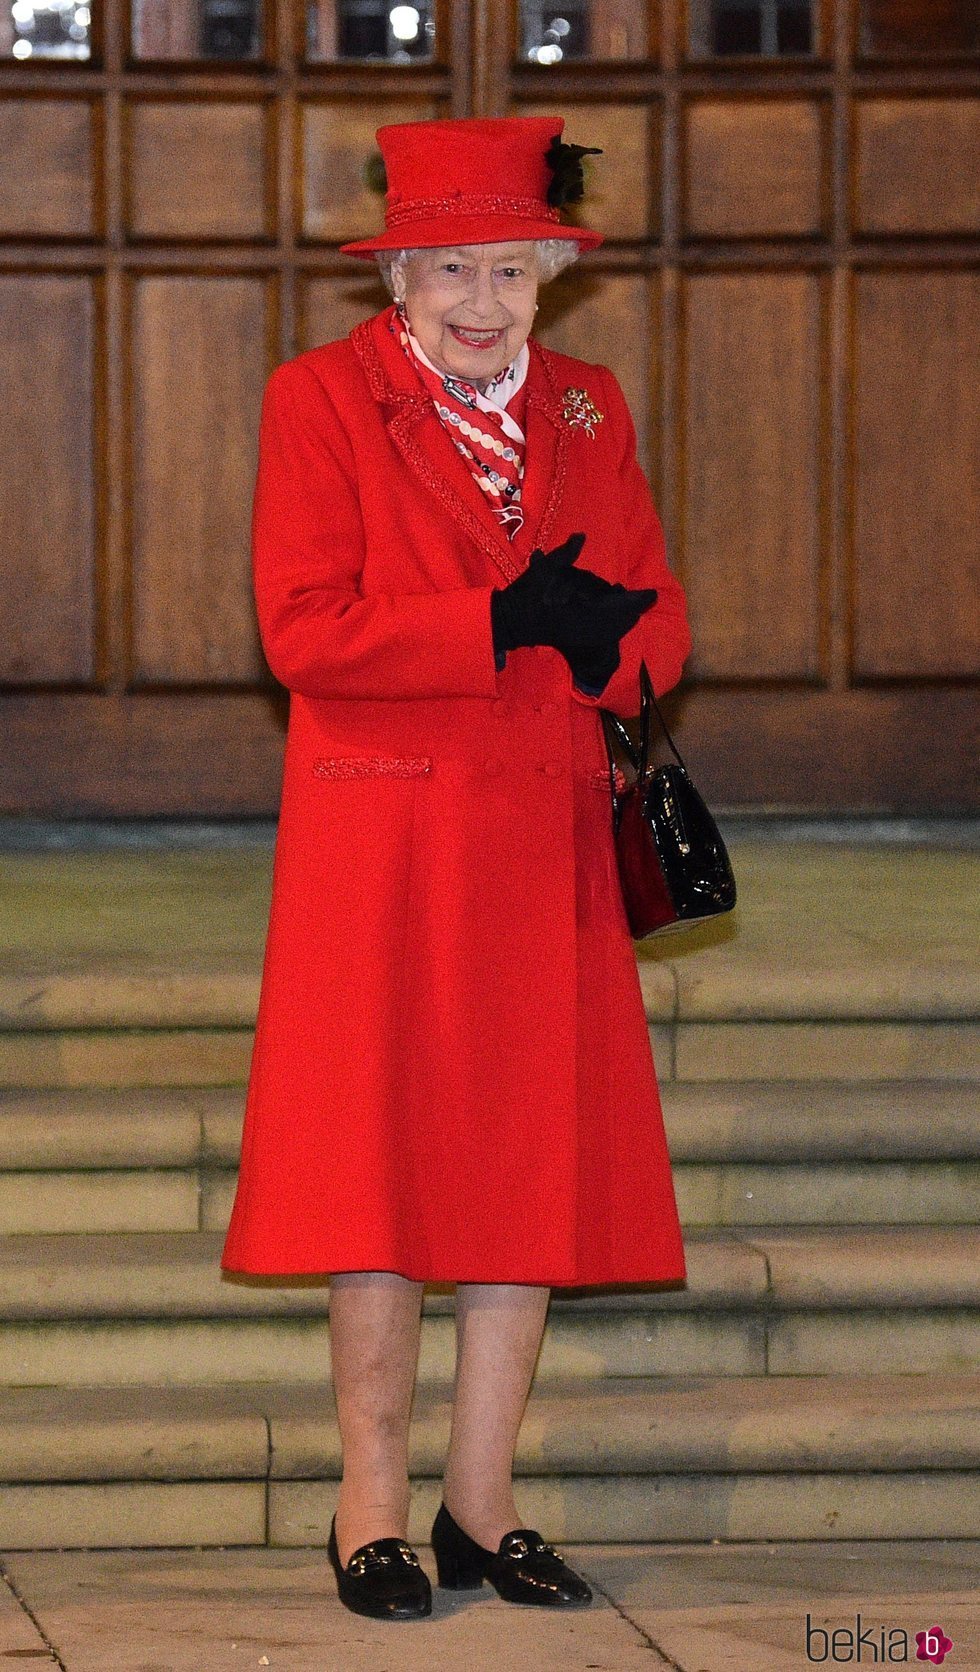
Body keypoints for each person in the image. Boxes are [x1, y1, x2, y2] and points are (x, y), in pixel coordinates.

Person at [221, 113, 691, 1621]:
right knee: (382, 1169)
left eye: (512, 270)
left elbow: (657, 611)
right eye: (450, 272)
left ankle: (481, 1507)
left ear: (550, 276)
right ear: (399, 281)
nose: (484, 302)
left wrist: (625, 647)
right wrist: (498, 622)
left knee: (522, 1168)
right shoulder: (323, 401)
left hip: (541, 838)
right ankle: (368, 1509)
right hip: (390, 842)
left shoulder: (589, 412)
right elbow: (301, 629)